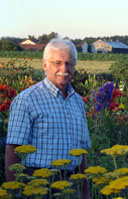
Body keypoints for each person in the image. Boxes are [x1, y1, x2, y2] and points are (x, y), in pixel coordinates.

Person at [5, 37, 91, 198]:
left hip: (71, 184)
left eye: (69, 63)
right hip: (38, 184)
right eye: (57, 63)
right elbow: (12, 149)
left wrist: (86, 193)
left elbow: (83, 152)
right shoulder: (27, 99)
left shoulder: (78, 102)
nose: (64, 68)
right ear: (45, 65)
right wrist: (14, 193)